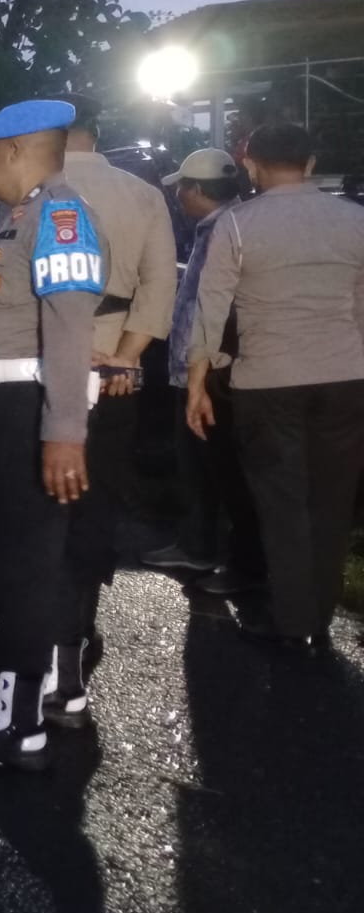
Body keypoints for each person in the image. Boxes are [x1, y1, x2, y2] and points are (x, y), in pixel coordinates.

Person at [0, 99, 105, 772]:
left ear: (13, 151)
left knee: (22, 562)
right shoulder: (27, 214)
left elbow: (69, 326)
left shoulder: (61, 216)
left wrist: (64, 432)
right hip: (11, 407)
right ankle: (42, 697)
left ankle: (18, 724)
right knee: (30, 556)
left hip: (31, 407)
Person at [187, 123, 364, 652]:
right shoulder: (355, 220)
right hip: (346, 378)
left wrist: (197, 383)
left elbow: (210, 310)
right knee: (332, 502)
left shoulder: (237, 225)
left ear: (251, 165)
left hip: (267, 382)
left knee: (281, 502)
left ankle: (292, 621)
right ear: (310, 165)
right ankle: (317, 618)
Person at [53, 93, 177, 664]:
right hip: (116, 370)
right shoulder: (143, 194)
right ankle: (80, 626)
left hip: (45, 366)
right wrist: (127, 355)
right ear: (96, 131)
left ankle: (35, 628)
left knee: (40, 499)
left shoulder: (37, 192)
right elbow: (160, 284)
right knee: (97, 497)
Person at [139, 149, 263, 595]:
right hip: (204, 369)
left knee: (221, 470)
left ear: (195, 189)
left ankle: (236, 562)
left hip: (209, 374)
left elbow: (214, 309)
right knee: (202, 467)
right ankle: (200, 544)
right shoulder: (228, 225)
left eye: (181, 188)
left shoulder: (225, 231)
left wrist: (199, 374)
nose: (177, 196)